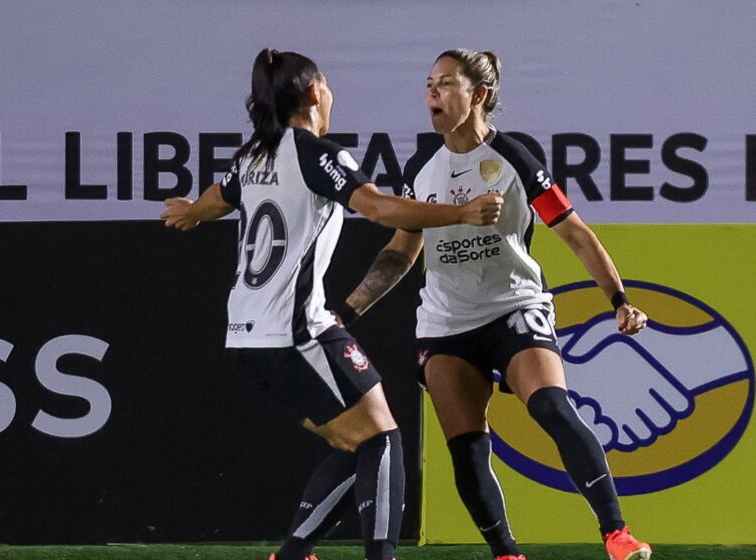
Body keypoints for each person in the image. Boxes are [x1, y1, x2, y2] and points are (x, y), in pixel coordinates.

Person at [160, 48, 504, 560]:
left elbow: (219, 196)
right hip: (297, 330)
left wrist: (192, 212)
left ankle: (295, 552)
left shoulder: (253, 155)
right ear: (315, 92)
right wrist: (460, 212)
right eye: (328, 84)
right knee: (383, 440)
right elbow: (379, 207)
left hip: (247, 337)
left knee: (357, 442)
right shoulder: (316, 153)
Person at [335, 49, 653, 560]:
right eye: (429, 85)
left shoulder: (516, 159)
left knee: (551, 405)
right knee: (466, 447)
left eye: (446, 84)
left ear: (478, 95)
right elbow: (400, 251)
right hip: (445, 324)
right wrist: (346, 312)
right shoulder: (421, 166)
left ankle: (617, 533)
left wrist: (618, 299)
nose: (432, 94)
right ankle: (506, 553)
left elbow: (573, 232)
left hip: (513, 308)